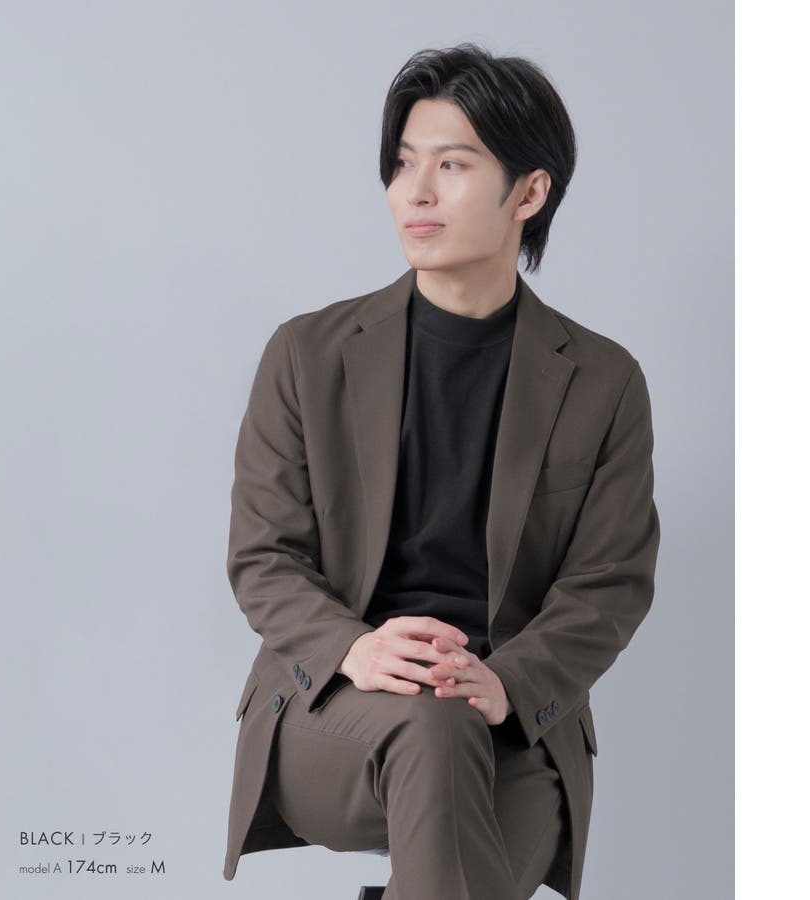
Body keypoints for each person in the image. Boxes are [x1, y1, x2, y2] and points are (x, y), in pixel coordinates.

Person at [222, 43, 660, 900]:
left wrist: (508, 682)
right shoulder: (308, 355)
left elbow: (610, 584)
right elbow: (263, 557)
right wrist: (357, 647)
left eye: (451, 165)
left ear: (529, 193)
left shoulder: (603, 381)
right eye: (402, 165)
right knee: (433, 731)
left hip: (511, 720)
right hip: (335, 706)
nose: (414, 192)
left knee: (460, 858)